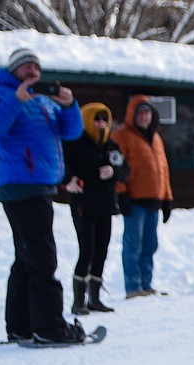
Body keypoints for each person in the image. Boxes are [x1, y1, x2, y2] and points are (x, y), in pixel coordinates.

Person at [0, 47, 86, 343]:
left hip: (40, 185)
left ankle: (21, 326)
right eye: (26, 67)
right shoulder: (0, 95)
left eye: (36, 67)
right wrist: (15, 101)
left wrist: (69, 105)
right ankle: (50, 328)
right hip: (21, 186)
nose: (32, 71)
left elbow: (71, 131)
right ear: (13, 71)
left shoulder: (43, 100)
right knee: (42, 257)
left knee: (27, 258)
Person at [63, 103, 129, 314]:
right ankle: (78, 301)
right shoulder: (76, 143)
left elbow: (125, 169)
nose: (100, 124)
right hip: (84, 204)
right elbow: (62, 165)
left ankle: (95, 298)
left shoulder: (110, 145)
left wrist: (114, 171)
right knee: (87, 250)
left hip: (106, 205)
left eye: (104, 120)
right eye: (96, 119)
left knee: (101, 250)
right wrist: (67, 181)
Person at [111, 95, 173, 299]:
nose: (144, 117)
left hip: (153, 201)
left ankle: (146, 283)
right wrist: (121, 194)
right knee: (133, 244)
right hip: (134, 200)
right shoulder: (122, 136)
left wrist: (167, 198)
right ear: (132, 115)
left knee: (150, 244)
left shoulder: (156, 138)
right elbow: (117, 167)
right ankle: (133, 286)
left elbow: (163, 170)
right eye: (140, 113)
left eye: (147, 113)